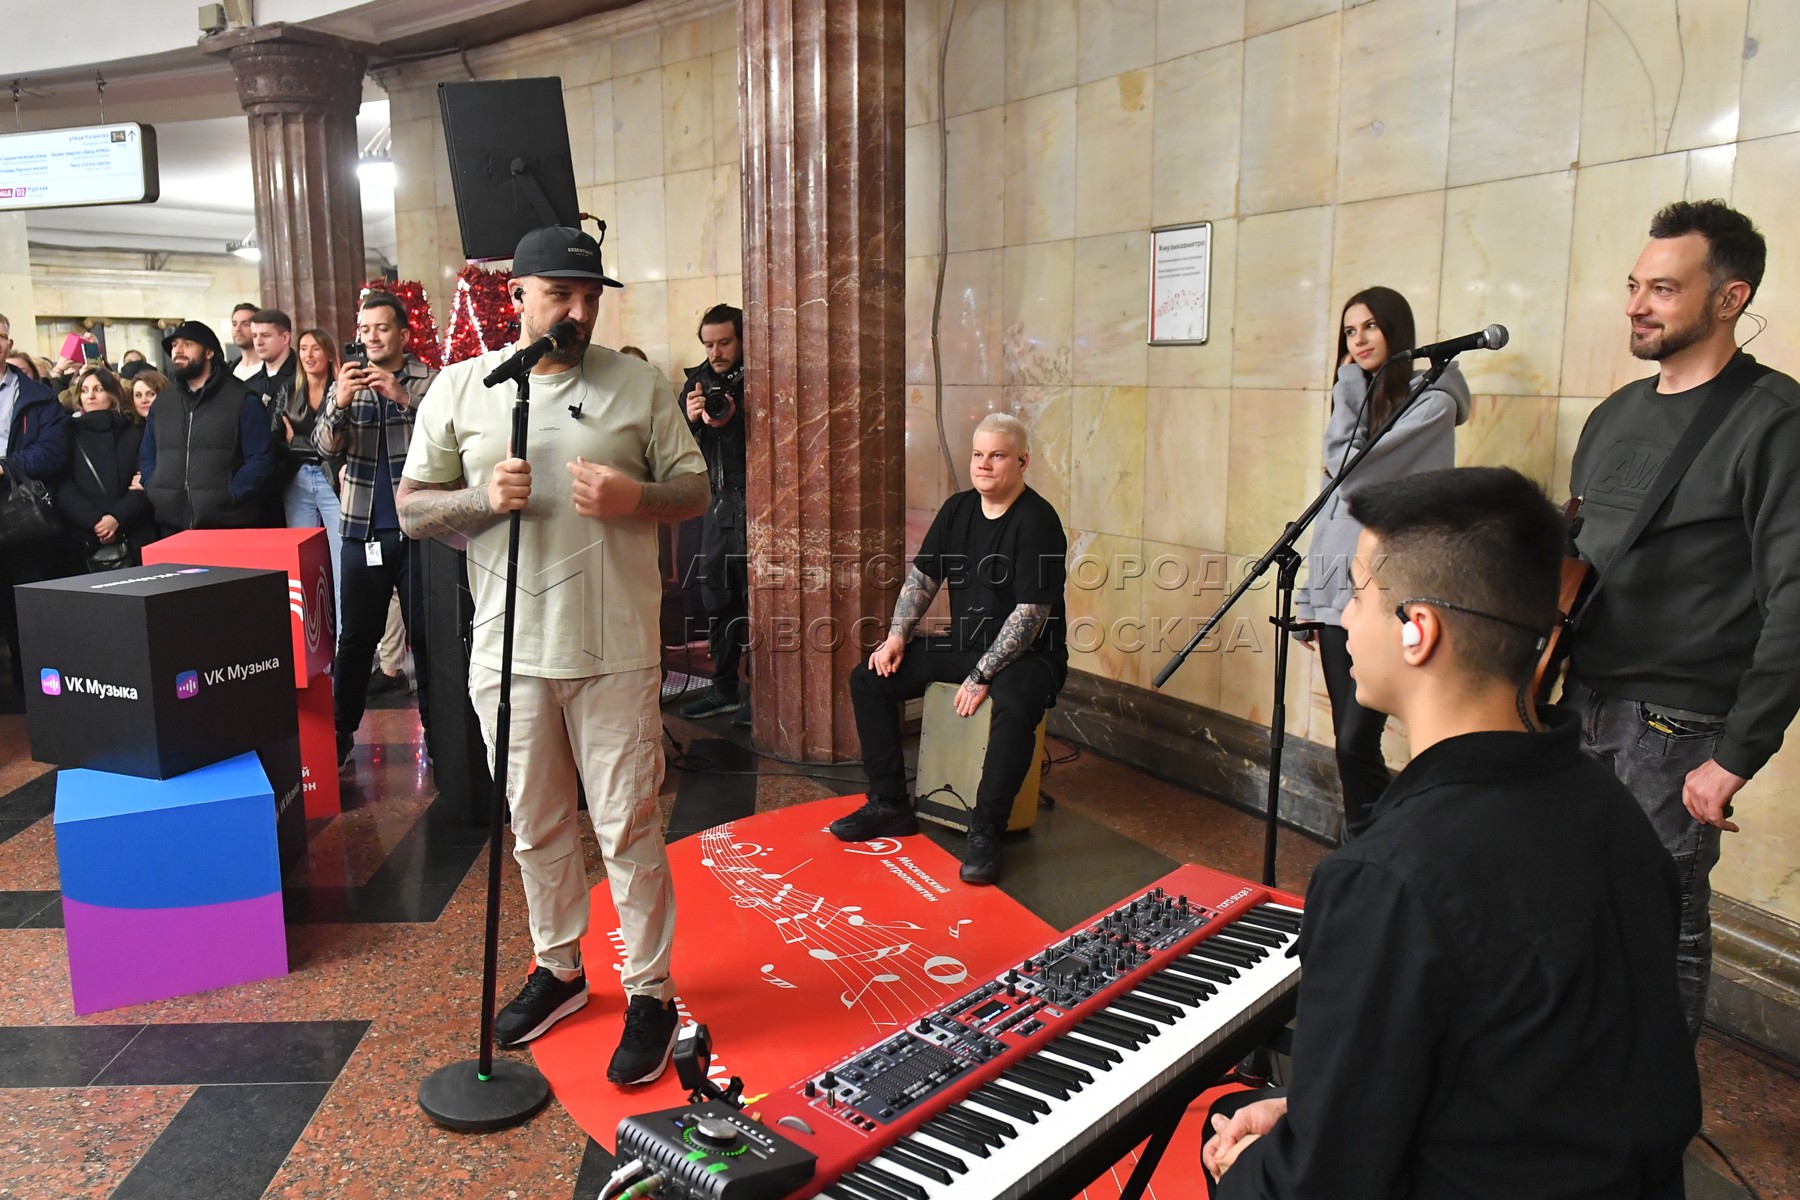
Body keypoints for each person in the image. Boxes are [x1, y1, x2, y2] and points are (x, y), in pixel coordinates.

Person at [1203, 467, 1700, 1199]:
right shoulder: (1613, 809)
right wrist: (1307, 1109)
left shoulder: (1390, 880)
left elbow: (1317, 1188)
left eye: (1360, 592)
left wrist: (1240, 1170)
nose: (1341, 617)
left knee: (1225, 1131)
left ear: (1418, 631)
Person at [396, 224, 709, 1084]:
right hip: (507, 649)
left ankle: (650, 989)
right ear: (519, 297)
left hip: (612, 648)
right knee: (534, 825)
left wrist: (633, 494)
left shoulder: (638, 382)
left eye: (590, 297)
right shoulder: (463, 389)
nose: (577, 313)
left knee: (628, 824)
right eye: (561, 296)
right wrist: (478, 497)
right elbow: (413, 509)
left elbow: (694, 489)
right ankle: (560, 968)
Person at [1564, 199, 1800, 1042]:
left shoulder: (1773, 420)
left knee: (1663, 925)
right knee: (1578, 903)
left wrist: (1735, 756)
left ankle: (1654, 1119)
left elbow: (1795, 599)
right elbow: (1578, 554)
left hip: (1677, 725)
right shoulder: (1615, 414)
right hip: (1579, 699)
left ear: (1730, 298)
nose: (1636, 304)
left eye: (1663, 288)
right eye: (1635, 285)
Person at [830, 412, 1067, 885]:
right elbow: (923, 578)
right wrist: (898, 634)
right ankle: (891, 804)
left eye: (997, 456)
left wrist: (981, 676)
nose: (983, 464)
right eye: (978, 454)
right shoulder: (958, 509)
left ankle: (985, 831)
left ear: (1022, 461)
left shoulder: (1038, 522)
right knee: (869, 678)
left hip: (1031, 653)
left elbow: (1030, 616)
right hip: (968, 642)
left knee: (1016, 703)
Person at [1297, 287, 1470, 840]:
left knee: (1355, 740)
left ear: (1398, 332)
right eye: (1350, 331)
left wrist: (1346, 385)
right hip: (1336, 595)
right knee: (1349, 744)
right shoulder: (1364, 397)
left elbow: (1350, 473)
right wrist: (1311, 597)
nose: (1360, 340)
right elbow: (1330, 515)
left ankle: (1379, 849)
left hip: (1386, 595)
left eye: (1371, 327)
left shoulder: (1432, 402)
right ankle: (1367, 853)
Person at [314, 292, 439, 769]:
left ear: (403, 335)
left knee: (426, 637)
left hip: (419, 530)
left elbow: (443, 435)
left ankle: (438, 730)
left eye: (381, 328)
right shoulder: (345, 381)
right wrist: (340, 403)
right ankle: (341, 733)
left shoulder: (430, 380)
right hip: (361, 530)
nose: (370, 337)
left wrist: (403, 396)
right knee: (356, 639)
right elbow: (325, 447)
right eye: (364, 329)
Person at [675, 304, 751, 721]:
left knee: (762, 601)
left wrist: (738, 416)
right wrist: (690, 421)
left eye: (725, 342)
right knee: (718, 598)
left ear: (742, 339)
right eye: (709, 344)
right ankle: (724, 688)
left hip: (759, 505)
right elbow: (677, 450)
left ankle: (765, 696)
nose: (716, 352)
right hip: (717, 503)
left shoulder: (762, 377)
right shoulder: (695, 384)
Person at [138, 320, 273, 534]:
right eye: (174, 345)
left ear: (209, 352)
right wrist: (154, 486)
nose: (178, 351)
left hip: (228, 524)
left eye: (187, 344)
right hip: (171, 525)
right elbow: (147, 454)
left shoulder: (242, 400)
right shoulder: (163, 403)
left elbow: (260, 459)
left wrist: (231, 495)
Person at [0, 312, 73, 689]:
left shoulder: (38, 399)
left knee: (27, 613)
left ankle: (36, 695)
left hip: (21, 514)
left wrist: (5, 466)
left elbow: (53, 453)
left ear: (9, 344)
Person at [275, 329, 345, 616]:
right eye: (303, 348)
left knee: (342, 563)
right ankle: (311, 645)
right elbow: (277, 436)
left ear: (329, 354)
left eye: (316, 348)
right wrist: (304, 445)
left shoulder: (341, 387)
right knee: (301, 563)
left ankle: (345, 646)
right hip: (297, 478)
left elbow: (343, 440)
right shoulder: (288, 389)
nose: (308, 355)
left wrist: (298, 442)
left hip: (334, 477)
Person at [56, 366, 153, 569]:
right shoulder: (67, 433)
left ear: (112, 394)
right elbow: (63, 485)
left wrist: (117, 517)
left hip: (132, 531)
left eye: (98, 389)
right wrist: (96, 522)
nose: (90, 395)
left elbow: (144, 481)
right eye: (84, 390)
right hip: (83, 536)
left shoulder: (134, 432)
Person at [243, 309, 296, 412]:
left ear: (285, 338)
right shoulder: (248, 387)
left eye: (265, 336)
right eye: (254, 336)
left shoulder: (305, 379)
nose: (258, 342)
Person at [228, 302, 263, 381]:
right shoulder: (227, 372)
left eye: (245, 324)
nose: (238, 329)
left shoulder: (272, 370)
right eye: (234, 324)